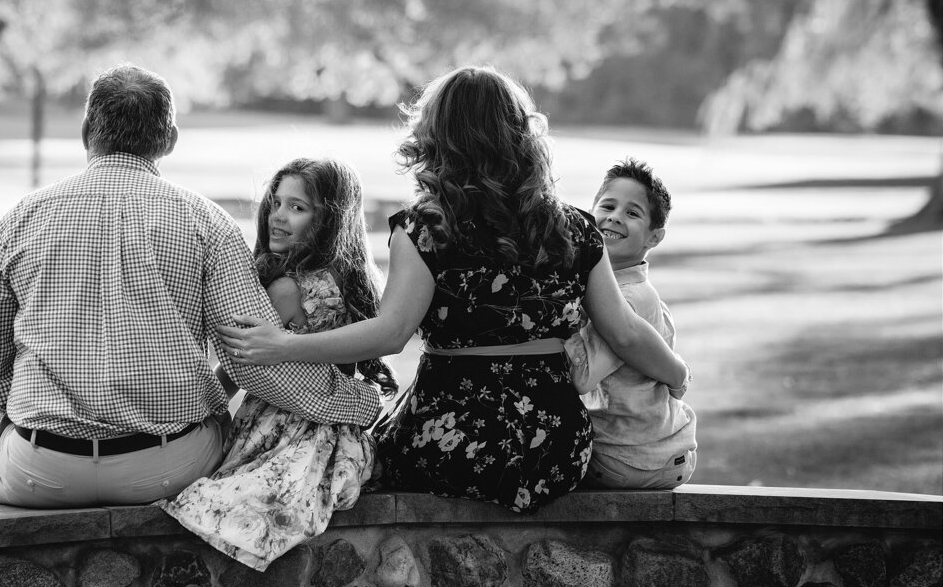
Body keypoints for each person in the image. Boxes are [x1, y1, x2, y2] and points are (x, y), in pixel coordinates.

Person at [216, 65, 689, 513]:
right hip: (554, 450)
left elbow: (390, 333)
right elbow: (625, 332)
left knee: (363, 457)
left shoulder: (426, 228)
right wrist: (677, 374)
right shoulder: (574, 227)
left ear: (441, 136)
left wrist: (286, 345)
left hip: (451, 439)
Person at [0, 65, 380, 509]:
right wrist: (361, 404)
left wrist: (29, 424)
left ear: (87, 132)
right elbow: (253, 360)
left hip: (40, 468)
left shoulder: (20, 219)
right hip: (167, 465)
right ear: (170, 140)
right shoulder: (207, 222)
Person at [161, 158, 398, 570]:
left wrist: (211, 410)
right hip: (337, 425)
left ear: (328, 221)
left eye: (297, 207)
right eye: (276, 203)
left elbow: (241, 364)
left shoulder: (288, 289)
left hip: (285, 422)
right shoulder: (342, 278)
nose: (277, 217)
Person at [565, 158, 697, 489]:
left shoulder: (629, 298)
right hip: (648, 451)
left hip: (629, 458)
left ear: (654, 238)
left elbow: (582, 376)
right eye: (607, 206)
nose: (614, 217)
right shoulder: (622, 290)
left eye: (632, 213)